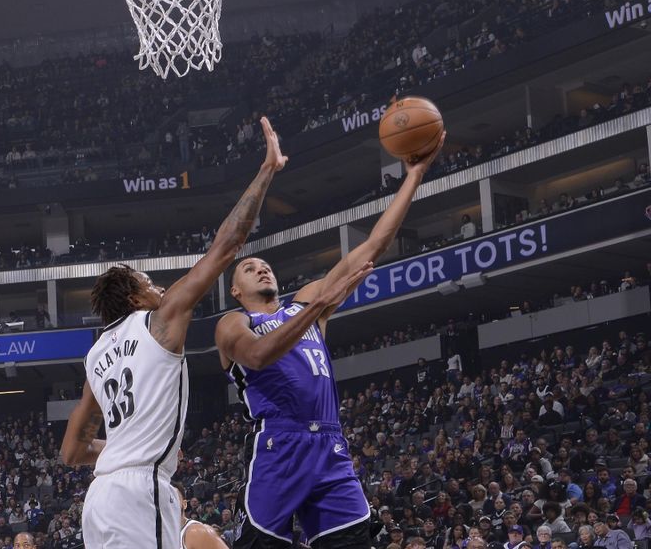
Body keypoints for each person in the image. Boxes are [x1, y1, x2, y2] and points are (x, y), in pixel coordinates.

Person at [60, 117, 287, 549]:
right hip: (141, 490)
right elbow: (228, 244)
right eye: (149, 283)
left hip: (99, 500)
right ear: (133, 297)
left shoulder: (96, 356)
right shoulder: (159, 319)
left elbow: (72, 451)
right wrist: (266, 170)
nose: (159, 288)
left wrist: (120, 446)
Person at [215, 133, 445, 548]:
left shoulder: (306, 304)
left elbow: (374, 245)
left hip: (330, 443)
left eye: (265, 265)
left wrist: (415, 175)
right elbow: (260, 355)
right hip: (279, 445)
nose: (262, 270)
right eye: (250, 268)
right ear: (236, 289)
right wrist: (317, 304)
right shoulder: (234, 322)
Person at [174, 483, 228, 548]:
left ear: (184, 504)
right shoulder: (162, 536)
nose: (168, 503)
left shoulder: (196, 532)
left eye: (173, 498)